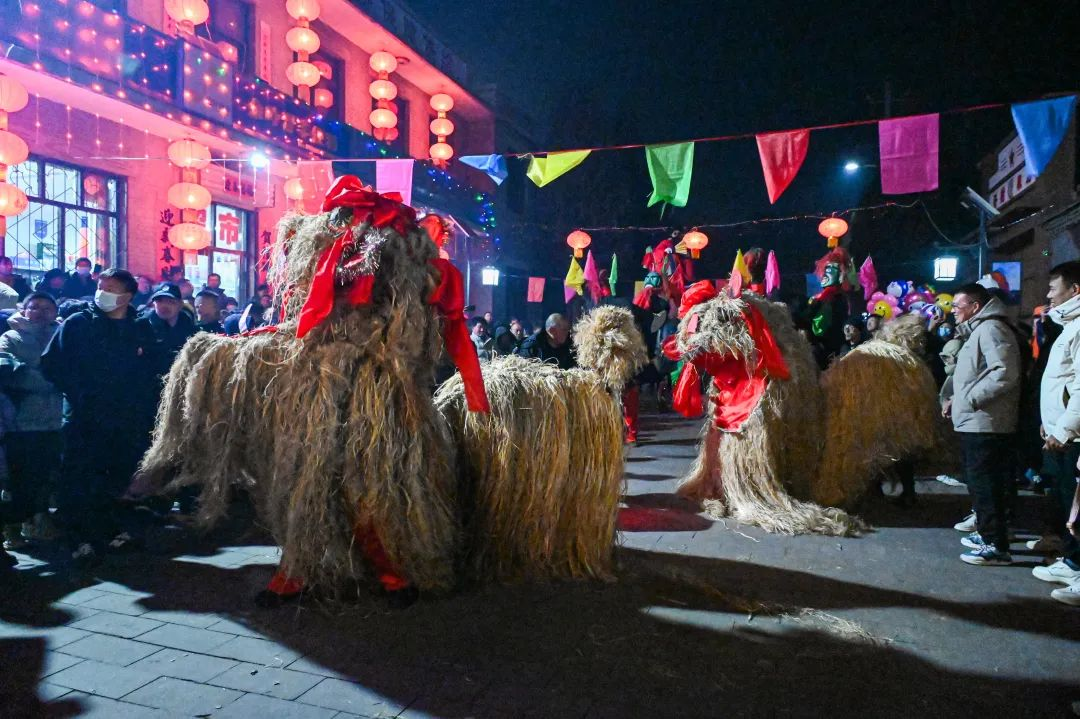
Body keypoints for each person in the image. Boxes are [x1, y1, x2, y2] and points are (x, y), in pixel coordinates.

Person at [42, 268, 156, 565]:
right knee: (80, 476)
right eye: (100, 286)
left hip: (125, 418)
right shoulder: (78, 324)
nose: (102, 293)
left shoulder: (139, 327)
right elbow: (52, 364)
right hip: (85, 417)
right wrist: (79, 394)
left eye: (110, 288)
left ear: (127, 296)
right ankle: (78, 538)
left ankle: (111, 530)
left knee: (116, 475)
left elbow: (151, 370)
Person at [942, 283, 1021, 566]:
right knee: (981, 484)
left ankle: (995, 545)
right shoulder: (979, 330)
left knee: (986, 485)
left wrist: (971, 399)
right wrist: (958, 399)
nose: (953, 311)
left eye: (957, 306)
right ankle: (990, 534)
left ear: (975, 307)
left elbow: (1004, 372)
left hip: (986, 422)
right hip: (977, 419)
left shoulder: (990, 329)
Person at [0, 293, 62, 550]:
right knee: (16, 478)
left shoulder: (61, 335)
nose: (40, 311)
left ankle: (37, 521)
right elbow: (11, 372)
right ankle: (11, 529)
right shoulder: (10, 337)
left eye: (47, 307)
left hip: (55, 419)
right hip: (21, 421)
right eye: (34, 306)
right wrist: (52, 382)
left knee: (45, 475)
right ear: (23, 310)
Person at [1033, 262, 1080, 588]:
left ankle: (1076, 565)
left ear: (1074, 290)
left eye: (1053, 288)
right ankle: (1071, 560)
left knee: (1075, 506)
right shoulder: (1069, 326)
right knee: (1066, 502)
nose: (1048, 296)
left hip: (1072, 437)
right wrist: (1050, 422)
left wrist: (1063, 429)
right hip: (1062, 432)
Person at [138, 284, 197, 388]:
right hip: (148, 386)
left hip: (180, 385)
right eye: (159, 301)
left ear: (180, 304)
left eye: (170, 302)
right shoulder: (142, 326)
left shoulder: (189, 327)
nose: (164, 306)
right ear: (153, 303)